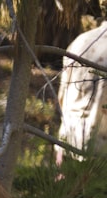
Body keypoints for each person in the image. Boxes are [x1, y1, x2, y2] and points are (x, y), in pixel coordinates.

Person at [56, 21, 107, 165]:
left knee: (65, 187)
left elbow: (62, 95)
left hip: (69, 137)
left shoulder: (80, 41)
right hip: (100, 153)